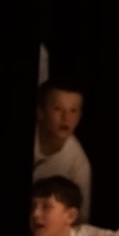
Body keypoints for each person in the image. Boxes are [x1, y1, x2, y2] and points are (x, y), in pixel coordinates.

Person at [33, 81, 92, 215]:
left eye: (73, 111)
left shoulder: (78, 163)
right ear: (40, 111)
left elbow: (80, 217)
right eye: (58, 109)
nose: (66, 118)